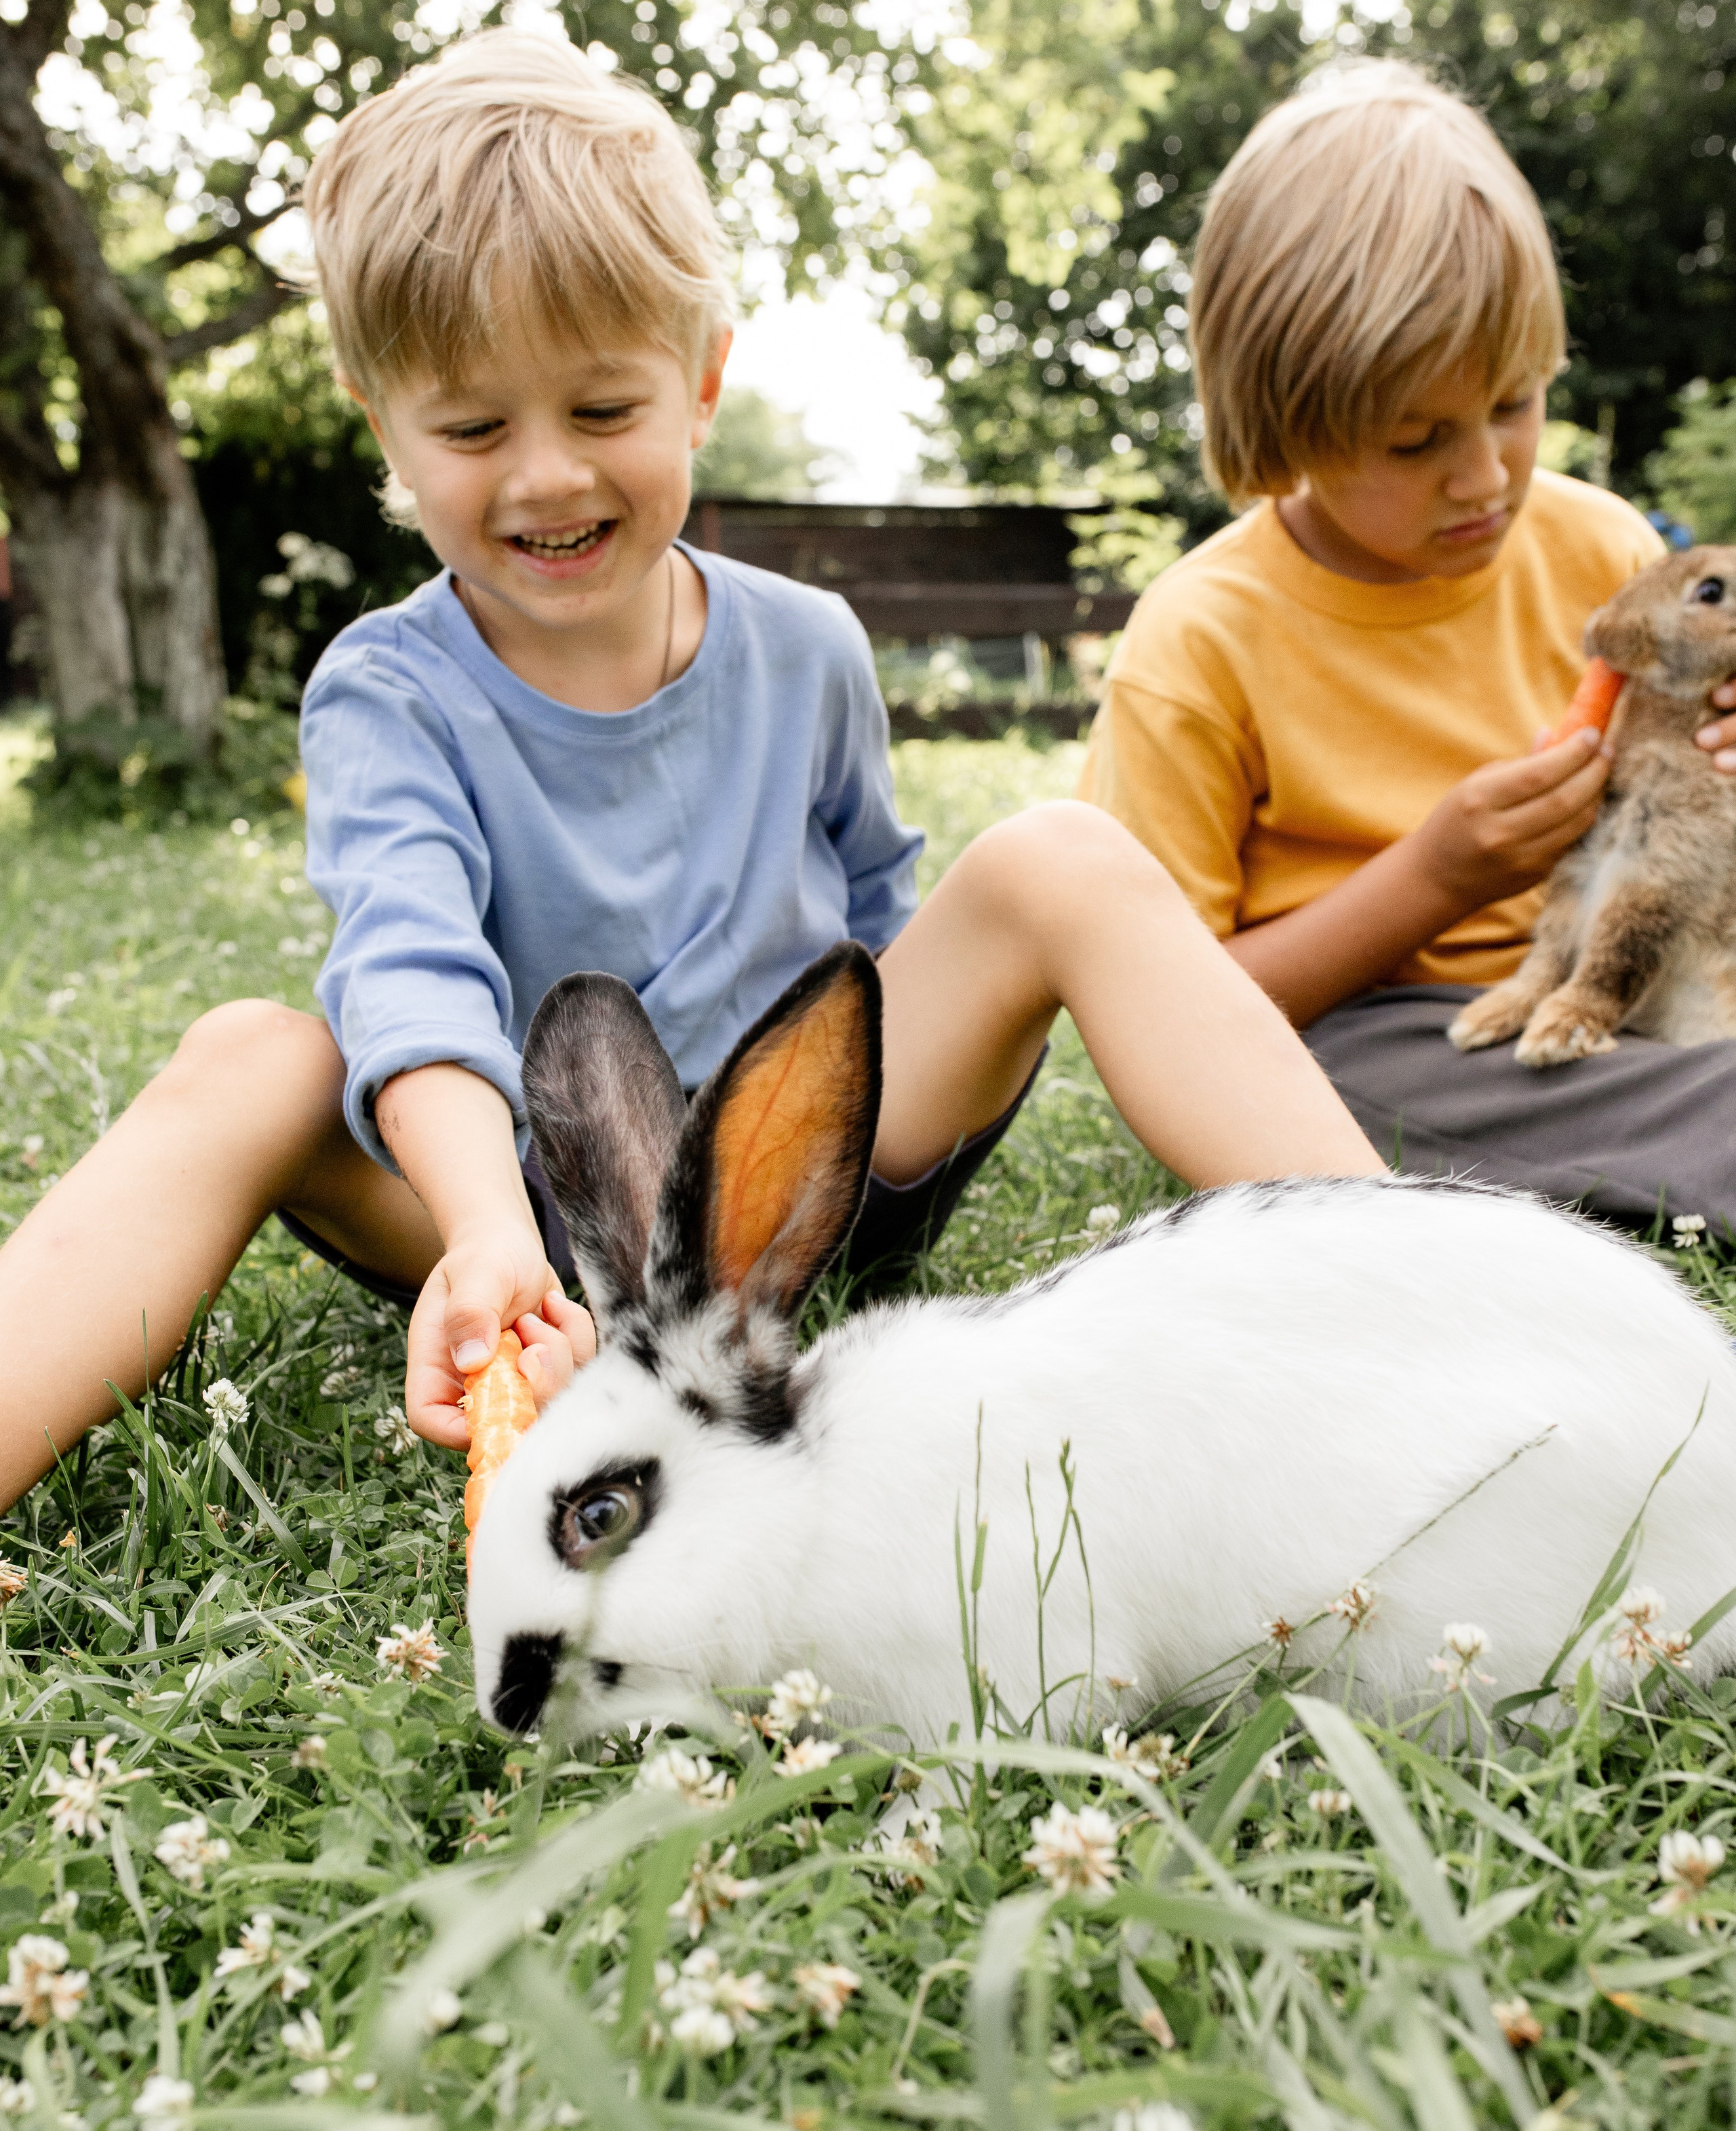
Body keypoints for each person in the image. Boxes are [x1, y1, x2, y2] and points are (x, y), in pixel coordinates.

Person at [0, 31, 1381, 1515]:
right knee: (250, 1053)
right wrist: (482, 1230)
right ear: (379, 420)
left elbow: (879, 912)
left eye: (602, 411)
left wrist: (866, 1061)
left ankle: (1427, 1293)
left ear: (702, 380)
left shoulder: (805, 646)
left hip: (808, 1173)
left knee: (1056, 856)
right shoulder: (388, 691)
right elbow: (410, 980)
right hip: (532, 1229)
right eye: (471, 427)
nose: (544, 475)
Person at [1080, 60, 1736, 1238]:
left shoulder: (1607, 551)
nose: (1485, 475)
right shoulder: (1200, 639)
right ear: (1288, 427)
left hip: (1645, 967)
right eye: (1416, 438)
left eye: (1516, 402)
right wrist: (1433, 880)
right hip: (1383, 1028)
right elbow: (1165, 1009)